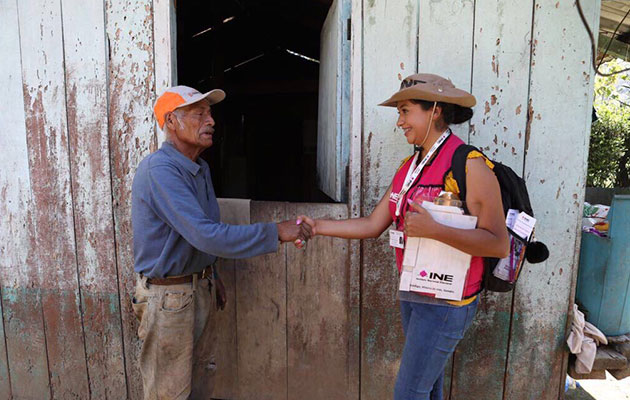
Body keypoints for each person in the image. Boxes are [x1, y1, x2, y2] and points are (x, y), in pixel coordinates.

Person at [298, 74, 509, 400]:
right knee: (428, 390)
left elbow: (498, 242)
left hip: (447, 303)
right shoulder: (410, 167)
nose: (399, 122)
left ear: (435, 110)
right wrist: (317, 226)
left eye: (406, 111)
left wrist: (435, 230)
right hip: (415, 296)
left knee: (409, 394)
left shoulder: (469, 166)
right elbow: (372, 224)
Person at [131, 85, 311, 400]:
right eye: (199, 113)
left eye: (210, 113)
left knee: (200, 387)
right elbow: (206, 234)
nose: (211, 120)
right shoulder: (160, 170)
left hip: (197, 290)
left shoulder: (199, 169)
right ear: (172, 121)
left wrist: (209, 275)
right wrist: (276, 232)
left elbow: (203, 232)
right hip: (169, 297)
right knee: (169, 394)